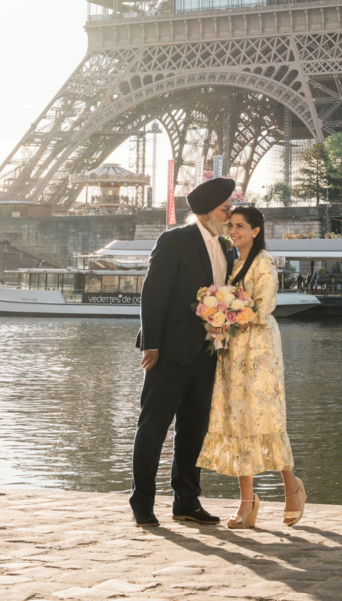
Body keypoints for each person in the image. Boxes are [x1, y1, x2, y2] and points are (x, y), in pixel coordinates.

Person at [129, 176, 237, 528]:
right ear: (207, 212)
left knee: (194, 431)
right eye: (226, 208)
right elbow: (153, 292)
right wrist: (152, 344)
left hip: (207, 352)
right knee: (153, 427)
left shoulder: (227, 247)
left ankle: (186, 502)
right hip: (170, 351)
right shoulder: (174, 240)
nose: (230, 214)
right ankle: (142, 502)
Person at [198, 205, 305, 529]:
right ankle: (248, 502)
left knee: (265, 416)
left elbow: (265, 306)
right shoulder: (236, 263)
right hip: (234, 351)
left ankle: (292, 487)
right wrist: (219, 318)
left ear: (256, 231)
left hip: (259, 351)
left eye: (240, 226)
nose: (233, 231)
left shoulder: (264, 263)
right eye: (230, 226)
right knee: (237, 419)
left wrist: (230, 312)